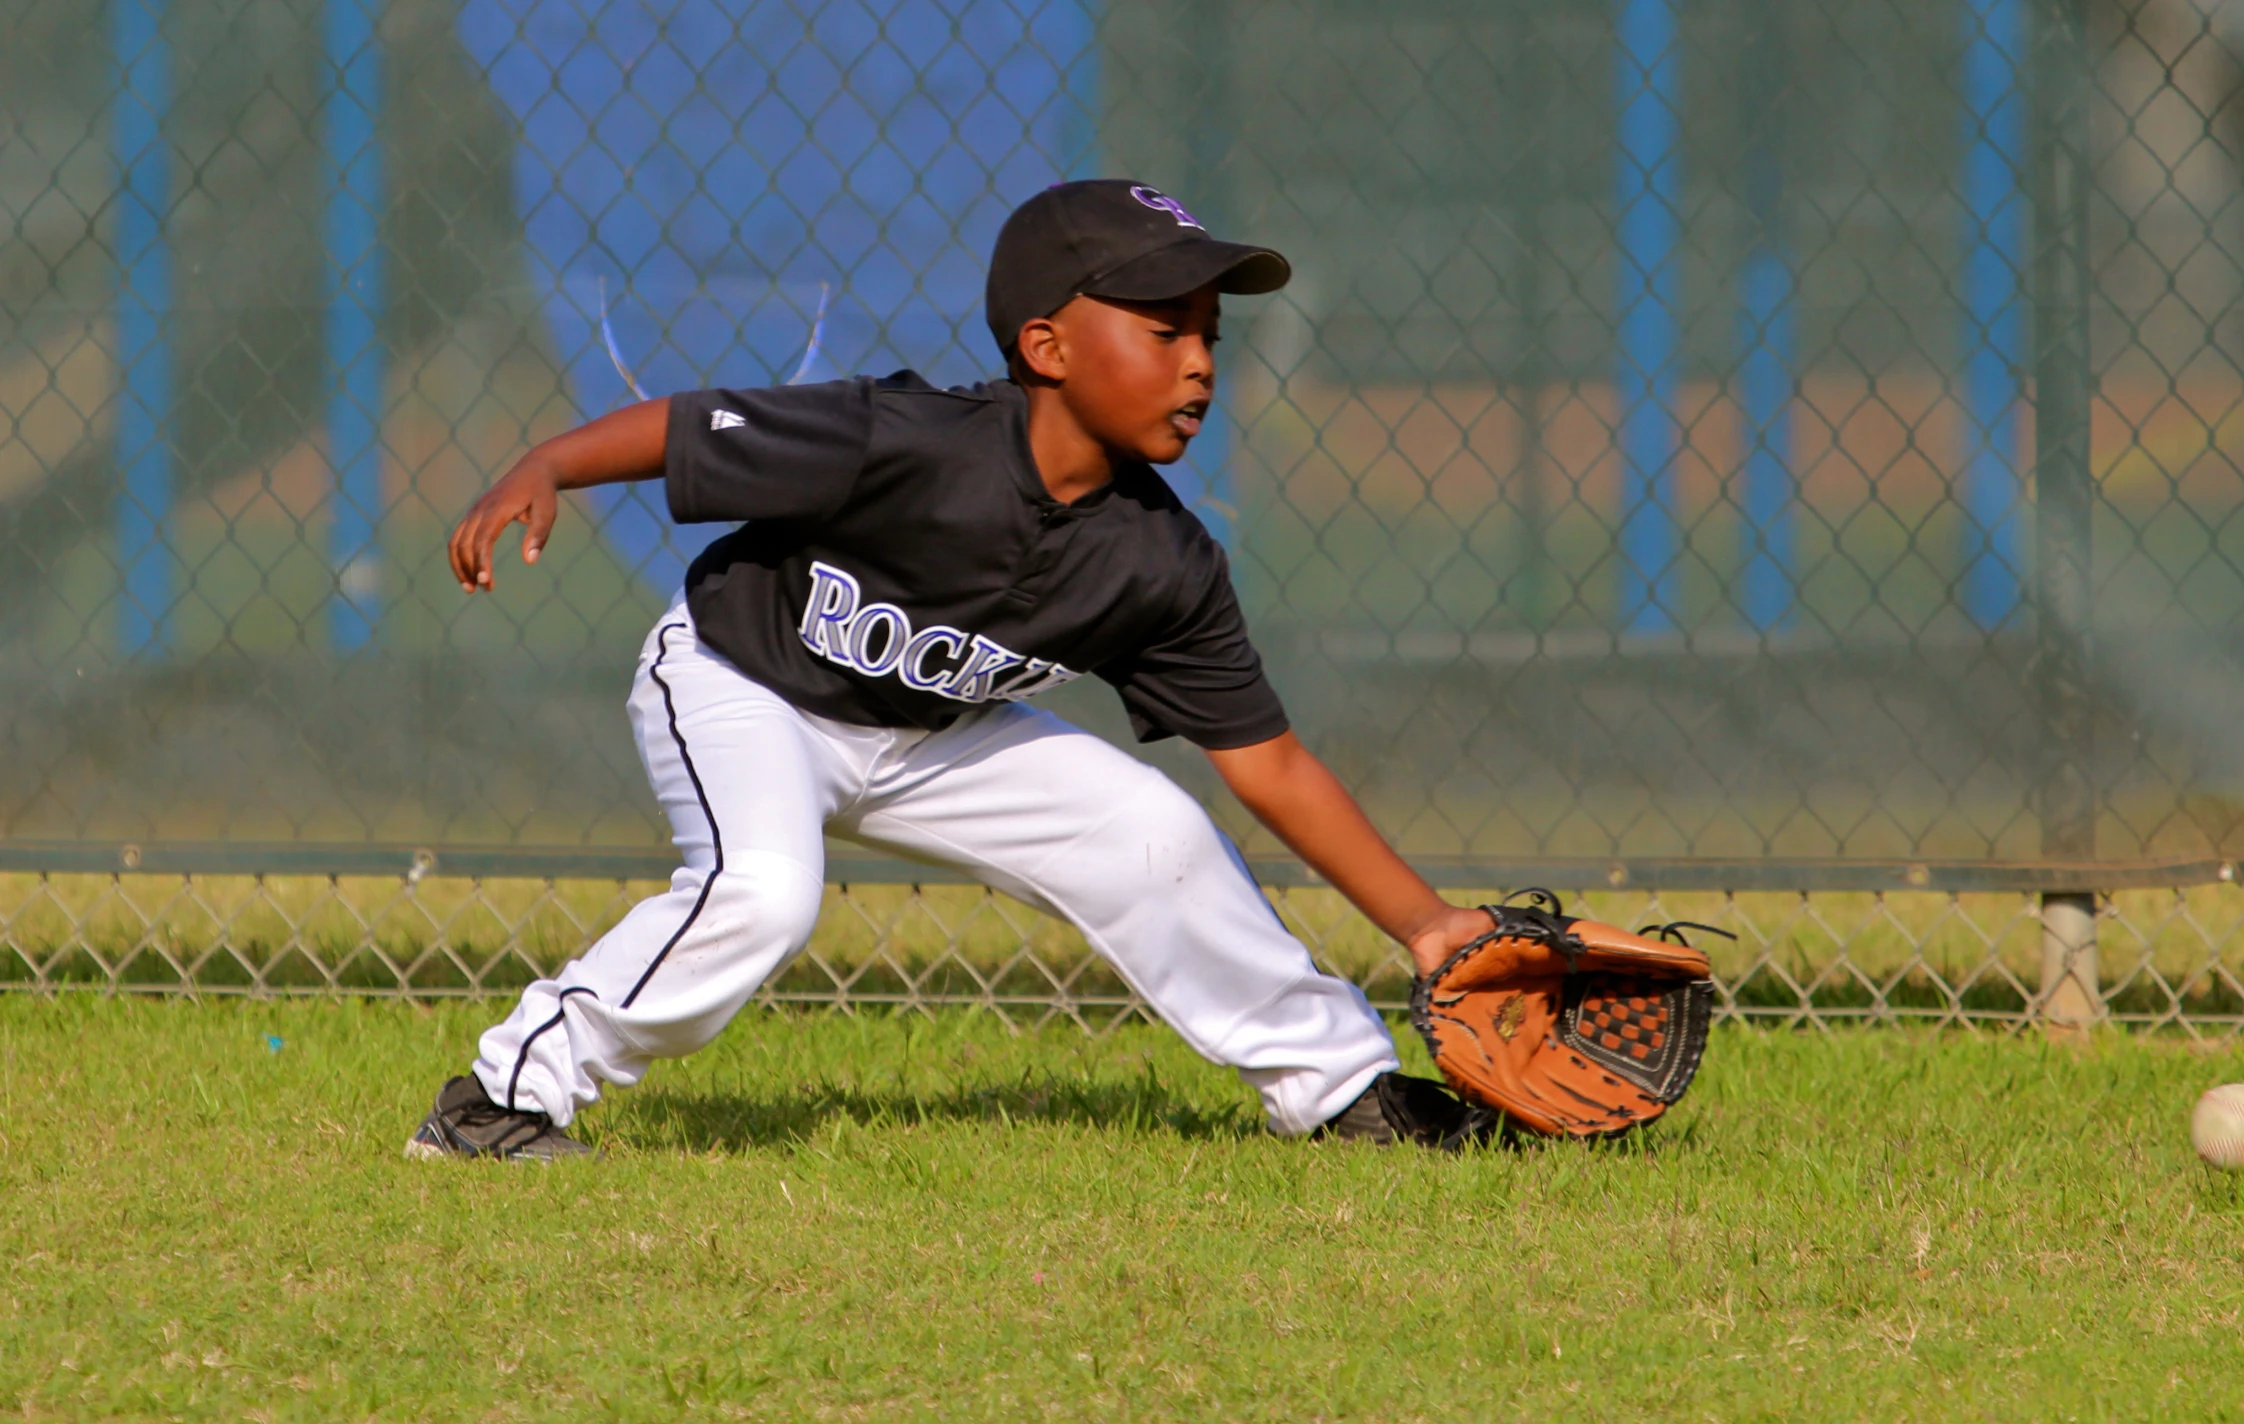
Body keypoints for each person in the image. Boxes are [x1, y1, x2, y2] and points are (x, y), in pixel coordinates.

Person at [407, 180, 1494, 1160]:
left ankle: (1339, 1085)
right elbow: (693, 428)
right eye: (1164, 330)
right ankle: (498, 1100)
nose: (1200, 360)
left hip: (938, 735)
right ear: (1048, 346)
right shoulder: (907, 438)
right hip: (746, 681)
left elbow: (1275, 767)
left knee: (1153, 835)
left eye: (1209, 333)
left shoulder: (1161, 561)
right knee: (765, 892)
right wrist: (544, 464)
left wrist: (1431, 926)